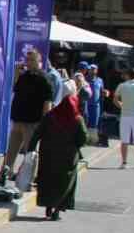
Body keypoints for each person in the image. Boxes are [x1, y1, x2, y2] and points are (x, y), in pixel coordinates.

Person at [29, 82, 90, 221]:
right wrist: (76, 146)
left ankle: (48, 207)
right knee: (64, 183)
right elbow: (83, 138)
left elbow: (37, 132)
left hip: (48, 154)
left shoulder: (51, 115)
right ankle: (57, 209)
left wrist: (31, 149)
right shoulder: (77, 119)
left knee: (48, 180)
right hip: (68, 157)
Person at [2, 49, 55, 179]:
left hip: (32, 121)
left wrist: (44, 123)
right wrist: (16, 72)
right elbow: (15, 87)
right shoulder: (24, 76)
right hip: (18, 119)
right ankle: (4, 174)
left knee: (30, 152)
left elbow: (47, 103)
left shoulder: (44, 79)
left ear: (39, 62)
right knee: (11, 150)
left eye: (32, 60)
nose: (29, 63)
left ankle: (28, 179)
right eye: (28, 60)